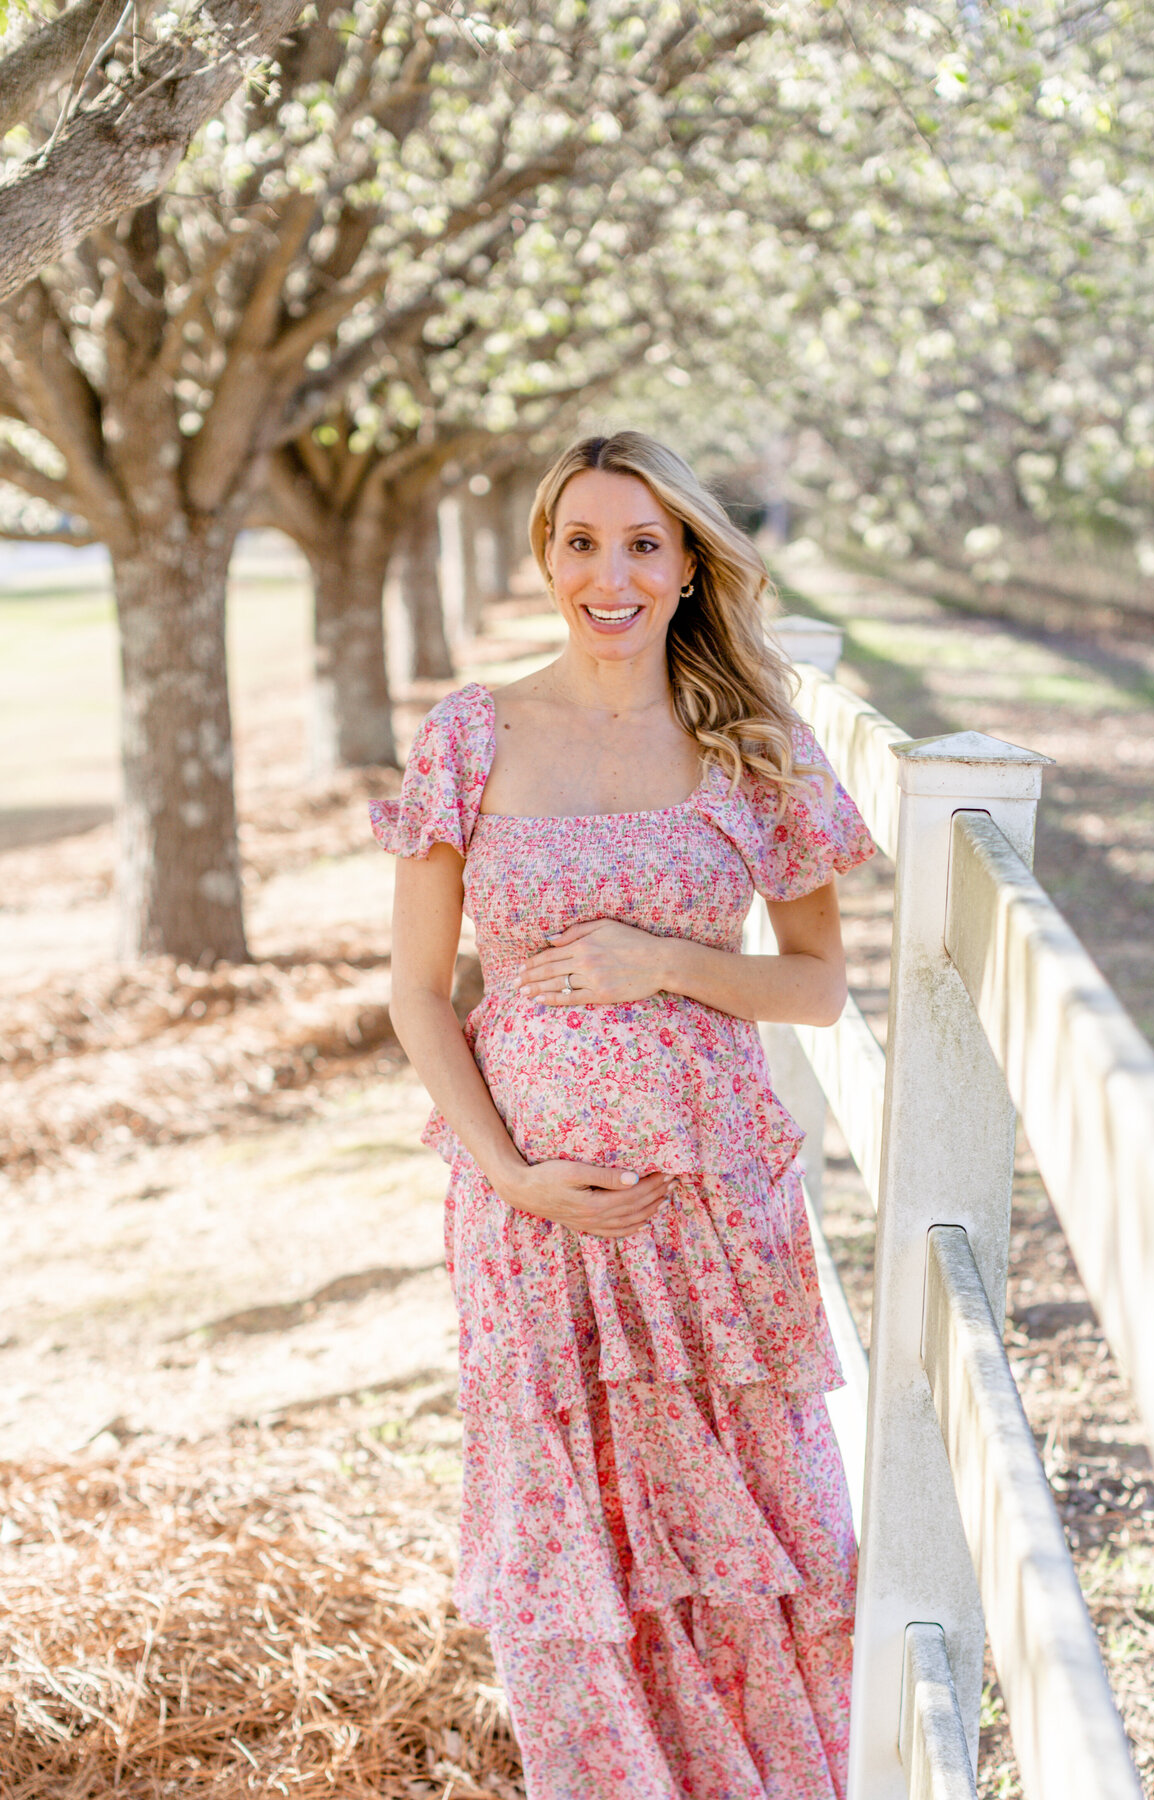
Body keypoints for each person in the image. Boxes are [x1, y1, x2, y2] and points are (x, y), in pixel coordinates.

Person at [370, 431, 875, 1799]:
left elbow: (820, 987)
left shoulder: (751, 743)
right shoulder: (471, 733)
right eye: (583, 542)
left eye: (643, 544)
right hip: (532, 1229)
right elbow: (419, 993)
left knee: (770, 1548)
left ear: (688, 565)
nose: (612, 573)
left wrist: (660, 961)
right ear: (546, 558)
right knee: (571, 1549)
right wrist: (510, 1174)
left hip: (717, 1229)